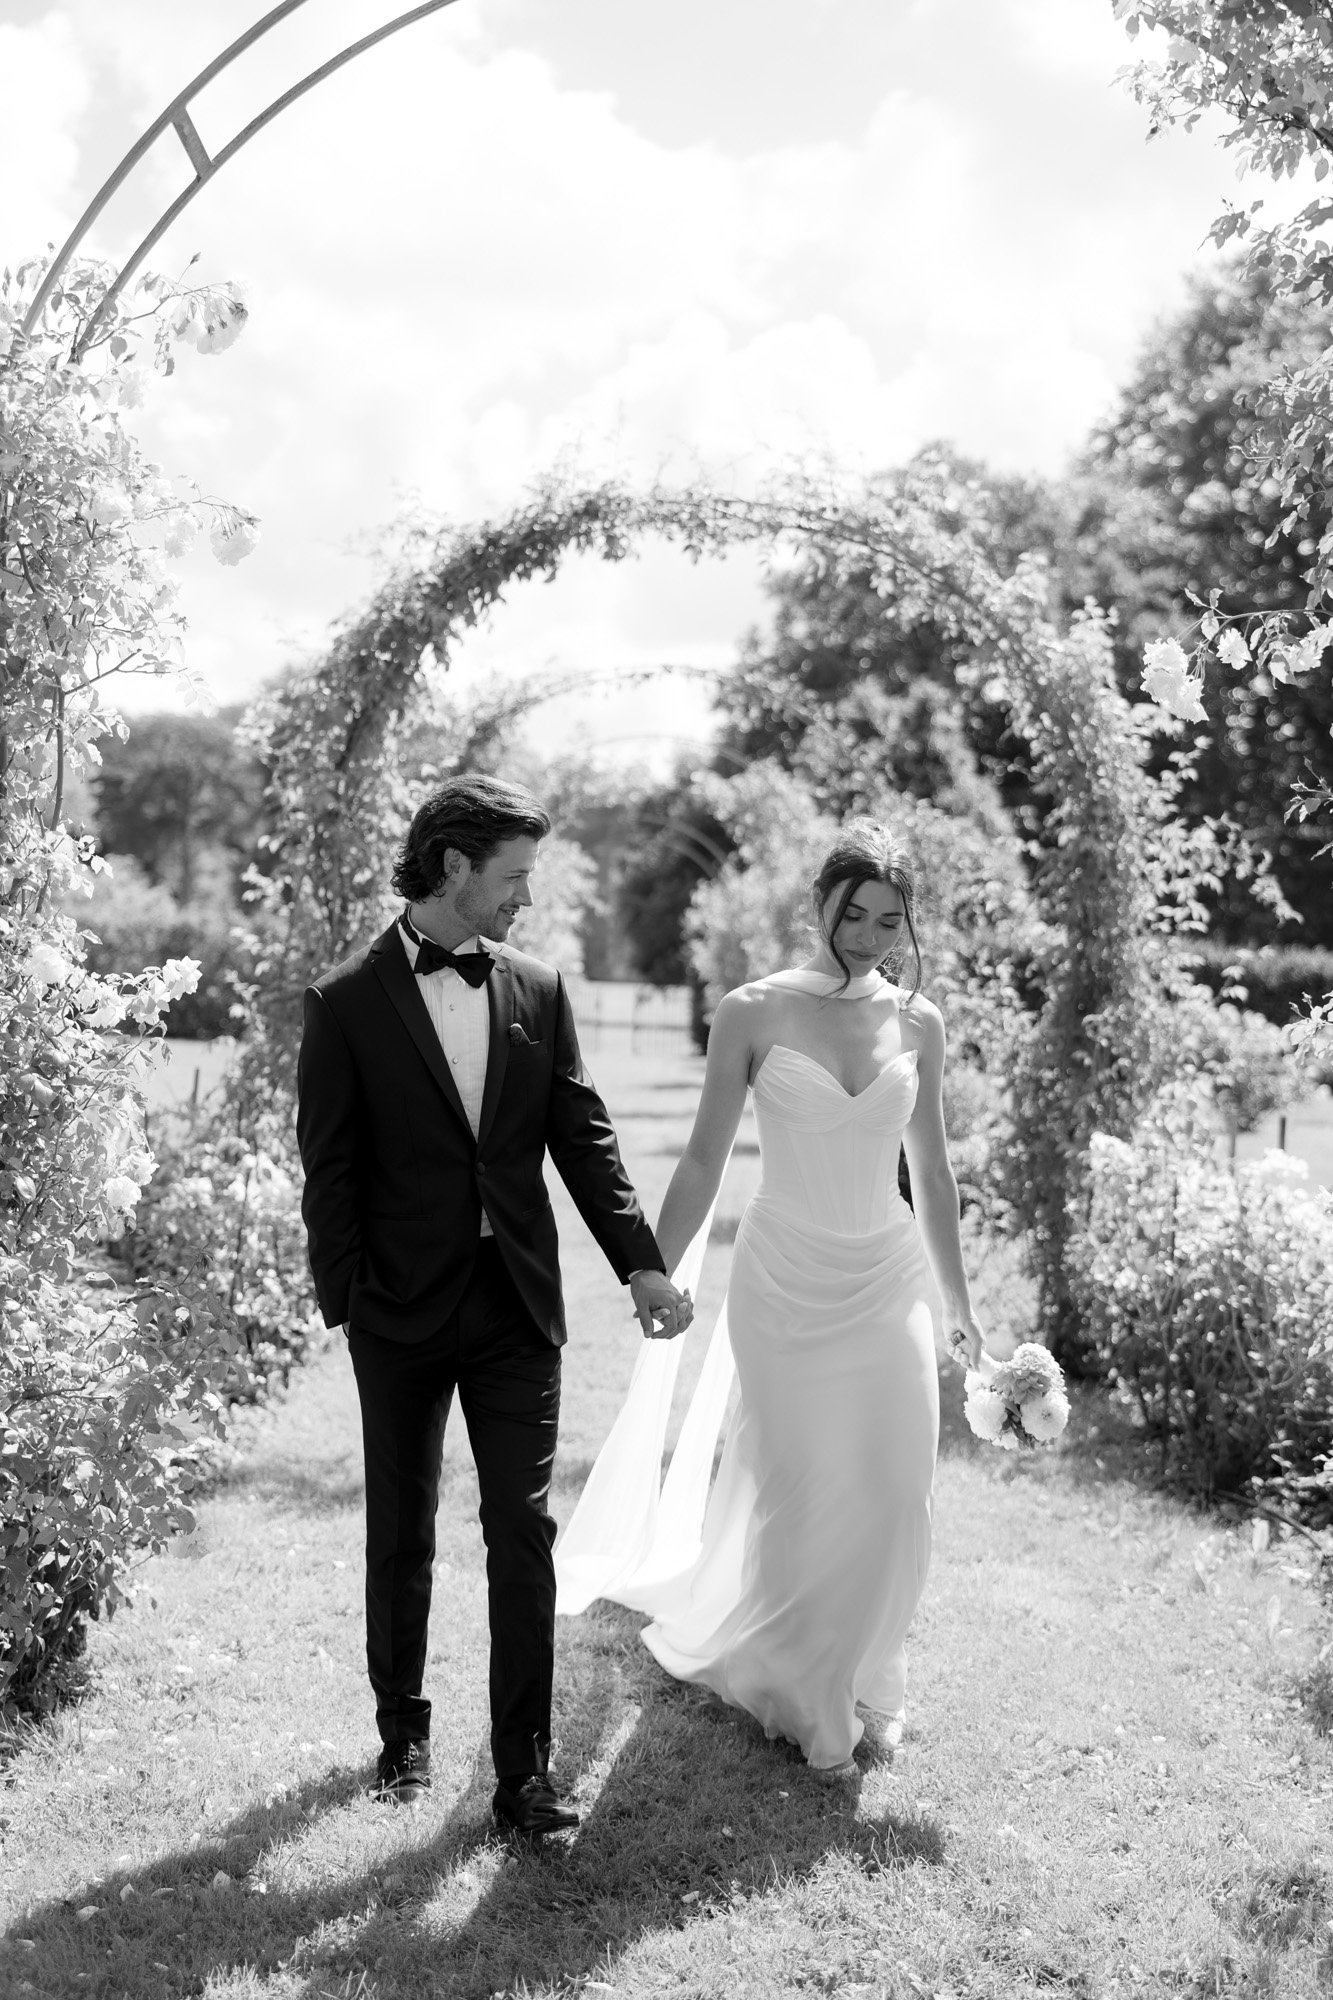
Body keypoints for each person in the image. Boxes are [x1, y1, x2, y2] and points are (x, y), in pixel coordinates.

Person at [296, 773, 692, 1833]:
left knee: (522, 1525)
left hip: (517, 1301)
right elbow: (327, 1172)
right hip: (398, 1310)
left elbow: (583, 1135)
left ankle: (523, 1770)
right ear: (453, 865)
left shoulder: (537, 991)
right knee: (402, 1527)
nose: (525, 896)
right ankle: (402, 1731)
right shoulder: (342, 1003)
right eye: (512, 875)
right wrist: (352, 1304)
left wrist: (641, 1263)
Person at [555, 819, 983, 1779]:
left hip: (886, 1277)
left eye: (888, 920)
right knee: (797, 1484)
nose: (869, 935)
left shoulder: (918, 1022)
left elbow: (936, 1173)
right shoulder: (750, 1012)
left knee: (892, 1482)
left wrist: (959, 1304)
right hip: (784, 1274)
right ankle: (806, 1688)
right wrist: (653, 1270)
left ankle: (866, 1668)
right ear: (817, 906)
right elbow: (705, 1156)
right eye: (853, 913)